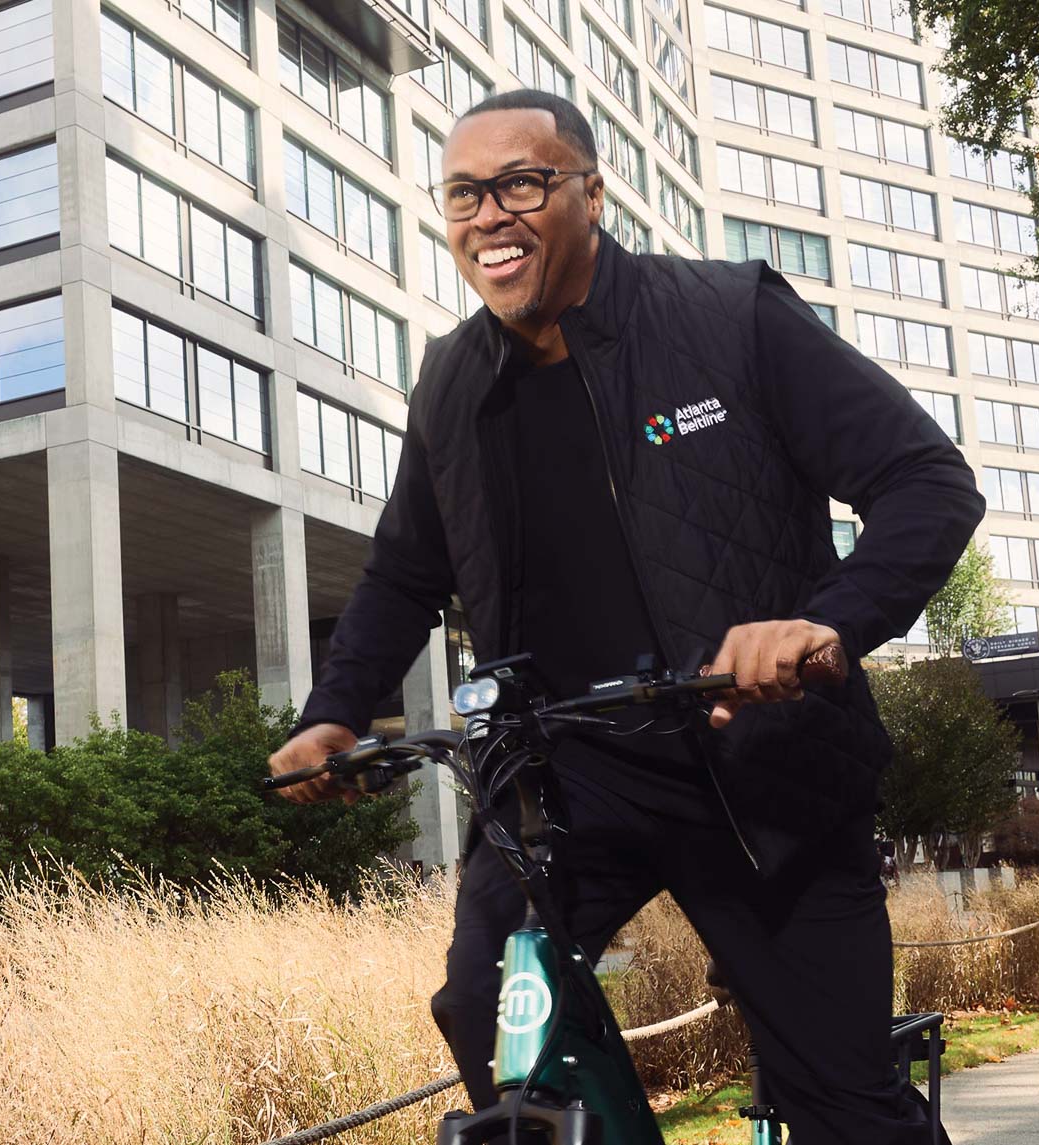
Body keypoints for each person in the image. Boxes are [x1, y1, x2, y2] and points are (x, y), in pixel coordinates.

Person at [267, 88, 981, 1144]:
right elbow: (402, 574)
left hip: (759, 771)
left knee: (840, 1098)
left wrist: (824, 624)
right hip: (564, 783)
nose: (489, 216)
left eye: (522, 182)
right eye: (464, 194)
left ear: (590, 194)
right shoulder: (453, 382)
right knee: (492, 1011)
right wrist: (335, 708)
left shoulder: (726, 315)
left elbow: (929, 482)